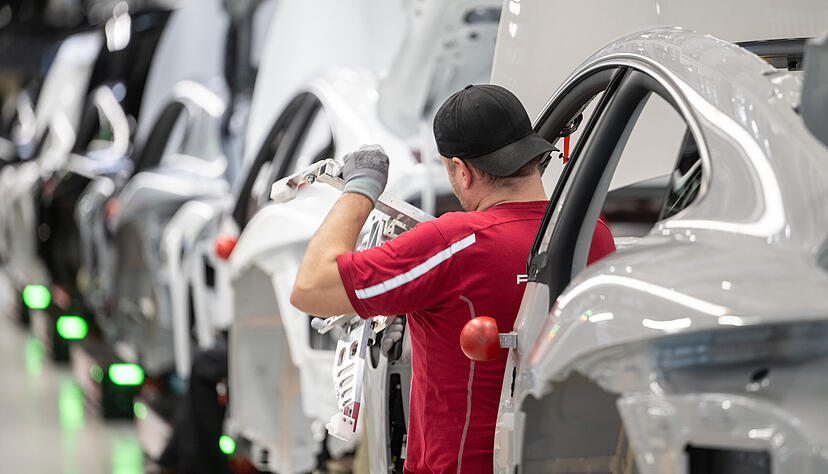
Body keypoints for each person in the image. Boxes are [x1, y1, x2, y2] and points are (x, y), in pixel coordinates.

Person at [290, 84, 615, 473]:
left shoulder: (454, 243)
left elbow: (311, 288)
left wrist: (360, 189)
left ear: (461, 170)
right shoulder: (593, 234)